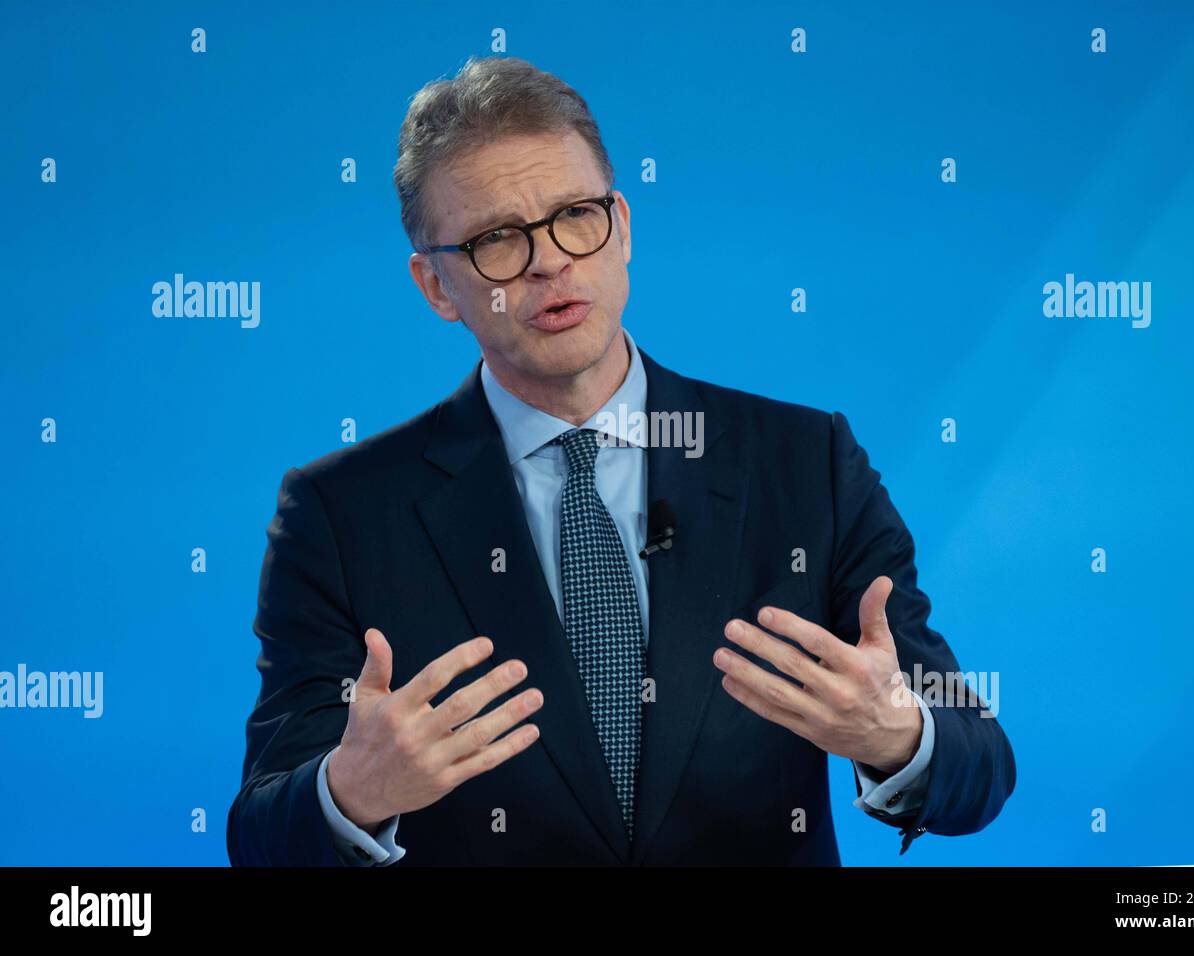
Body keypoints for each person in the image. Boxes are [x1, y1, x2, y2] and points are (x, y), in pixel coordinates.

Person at [226, 55, 1015, 866]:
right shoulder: (339, 513)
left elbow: (980, 764)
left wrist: (895, 734)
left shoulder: (805, 463)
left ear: (623, 226)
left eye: (576, 214)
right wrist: (354, 793)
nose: (550, 260)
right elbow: (259, 838)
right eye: (498, 238)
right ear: (435, 287)